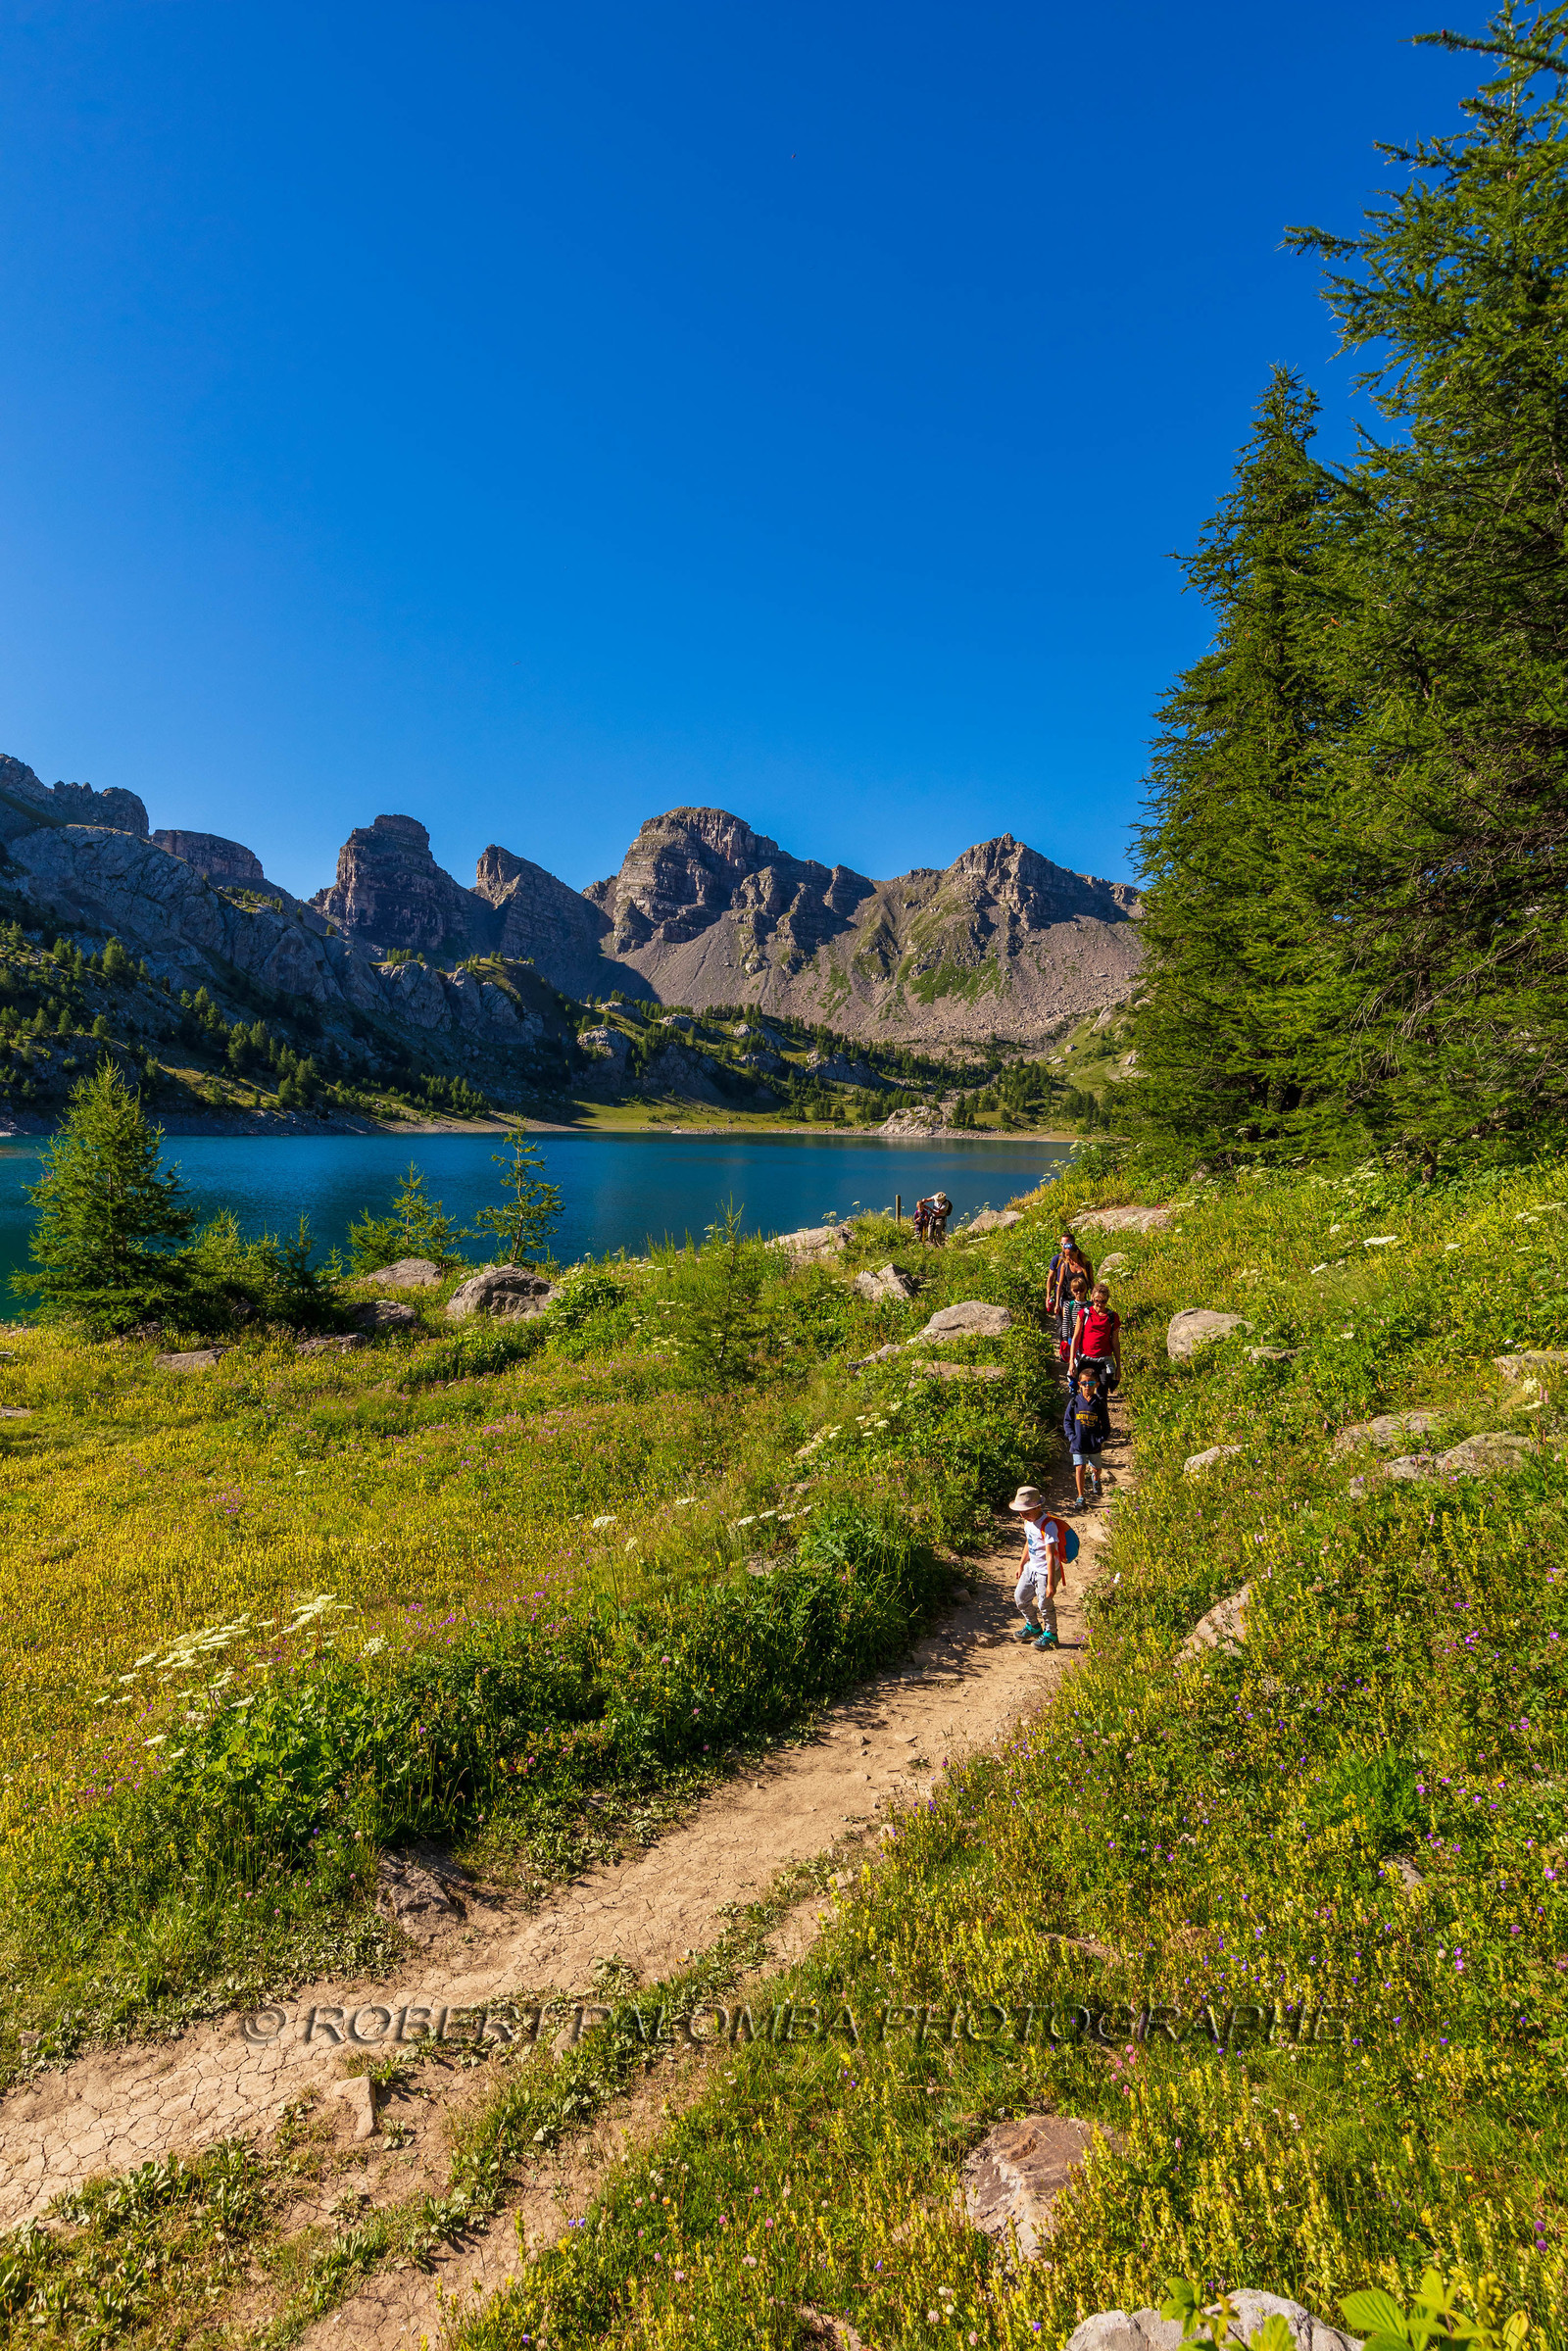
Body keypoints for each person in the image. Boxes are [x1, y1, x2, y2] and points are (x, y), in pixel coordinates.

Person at [1007, 1484, 1069, 1648]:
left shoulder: (1048, 1526)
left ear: (1038, 1507)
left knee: (1044, 1604)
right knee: (1020, 1598)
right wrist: (1021, 1564)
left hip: (1046, 1572)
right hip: (1031, 1567)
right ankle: (1033, 1626)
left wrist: (1050, 1583)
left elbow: (1050, 1555)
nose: (1023, 1515)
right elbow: (1029, 1543)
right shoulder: (1028, 1522)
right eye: (1021, 1512)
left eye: (1026, 1512)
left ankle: (1051, 1634)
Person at [1063, 1362, 1110, 1506]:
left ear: (1096, 1385)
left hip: (1094, 1443)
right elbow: (1067, 1421)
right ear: (1079, 1384)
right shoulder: (1074, 1402)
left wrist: (1101, 1439)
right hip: (1078, 1443)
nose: (1087, 1386)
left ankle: (1096, 1480)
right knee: (1080, 1468)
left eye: (1090, 1383)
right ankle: (1080, 1496)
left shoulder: (1099, 1404)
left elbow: (1106, 1424)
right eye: (1084, 1383)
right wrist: (1072, 1436)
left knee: (1096, 1468)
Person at [1069, 1281, 1122, 1390]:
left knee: (1102, 1392)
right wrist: (1071, 1362)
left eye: (1103, 1301)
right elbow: (1076, 1338)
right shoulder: (1084, 1314)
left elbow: (1115, 1342)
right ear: (1092, 1297)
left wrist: (1118, 1365)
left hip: (1104, 1360)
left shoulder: (1112, 1317)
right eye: (1097, 1300)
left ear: (1107, 1300)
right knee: (1085, 1391)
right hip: (1085, 1359)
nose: (1099, 1304)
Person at [1058, 1269, 1090, 1364]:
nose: (1078, 1293)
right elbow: (1066, 1322)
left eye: (1081, 1290)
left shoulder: (1090, 1306)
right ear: (1072, 1291)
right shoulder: (1069, 1305)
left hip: (1086, 1337)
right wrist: (1065, 1338)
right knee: (1074, 1359)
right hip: (1072, 1337)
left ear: (1085, 1290)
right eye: (1076, 1290)